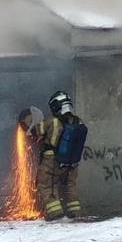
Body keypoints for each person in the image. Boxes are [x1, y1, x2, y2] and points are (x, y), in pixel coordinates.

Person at [35, 91, 86, 220]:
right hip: (72, 162)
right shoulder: (79, 122)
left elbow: (36, 132)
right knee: (69, 186)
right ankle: (75, 213)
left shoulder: (51, 121)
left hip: (52, 161)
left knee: (46, 185)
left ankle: (55, 214)